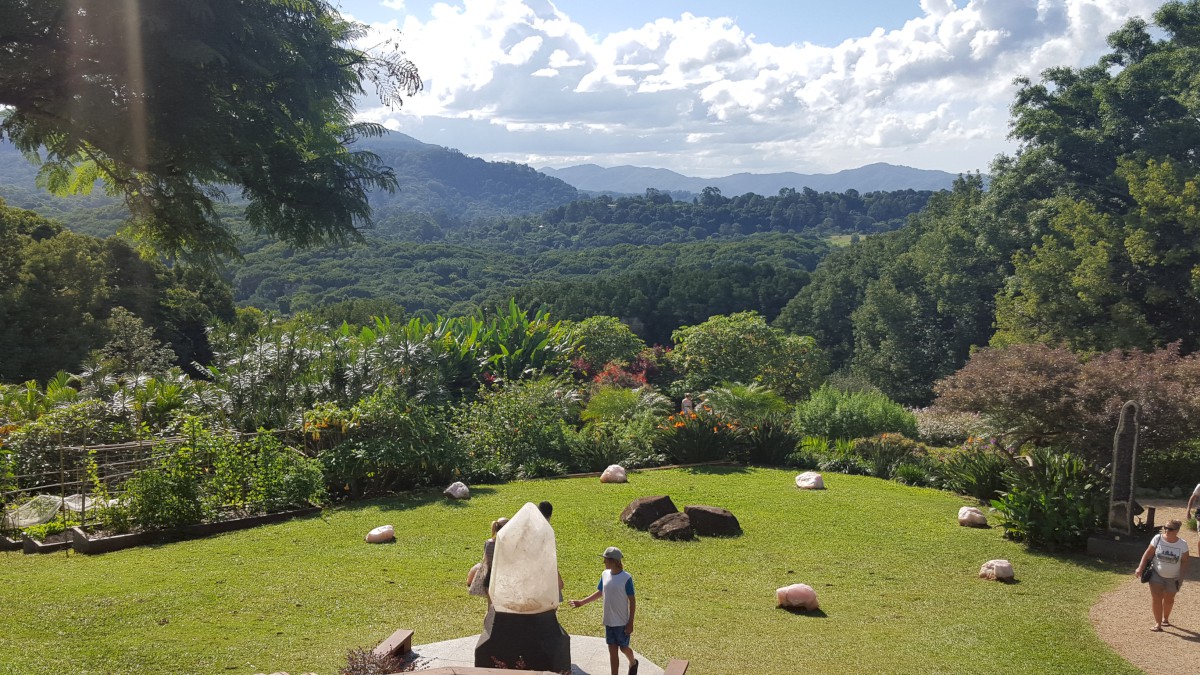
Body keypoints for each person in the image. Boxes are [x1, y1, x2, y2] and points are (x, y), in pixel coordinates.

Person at [569, 546, 638, 675]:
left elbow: (632, 601)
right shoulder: (604, 574)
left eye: (605, 560)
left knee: (623, 648)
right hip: (609, 621)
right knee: (612, 651)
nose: (603, 562)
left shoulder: (626, 578)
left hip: (622, 622)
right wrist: (581, 602)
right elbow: (601, 592)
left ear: (614, 561)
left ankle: (633, 662)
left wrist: (630, 622)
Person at [1134, 519, 1190, 631]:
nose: (1166, 530)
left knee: (1169, 599)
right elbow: (1148, 554)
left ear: (1177, 530)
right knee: (1156, 598)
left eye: (1170, 529)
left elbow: (1184, 562)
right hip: (1156, 574)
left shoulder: (1182, 544)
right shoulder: (1157, 538)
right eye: (1165, 527)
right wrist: (1140, 567)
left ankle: (1165, 618)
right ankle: (1157, 624)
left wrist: (1181, 577)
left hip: (1173, 577)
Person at [467, 517, 508, 599]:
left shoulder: (489, 543)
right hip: (504, 578)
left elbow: (487, 561)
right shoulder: (509, 544)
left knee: (490, 605)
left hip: (489, 578)